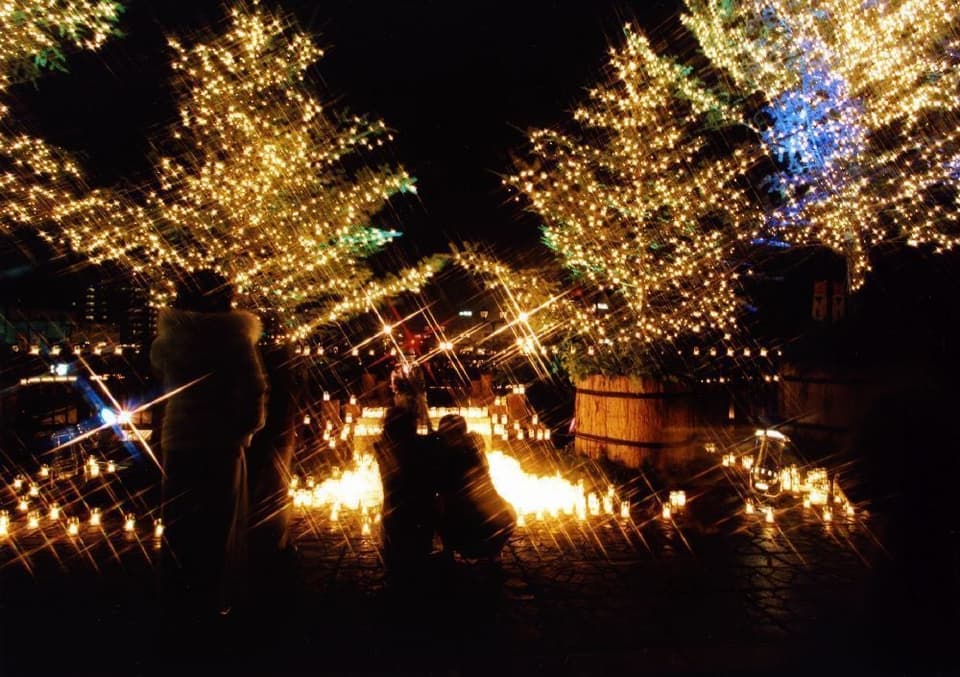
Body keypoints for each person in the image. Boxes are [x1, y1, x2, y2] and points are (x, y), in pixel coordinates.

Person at [150, 269, 267, 618]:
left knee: (179, 524)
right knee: (217, 524)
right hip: (221, 441)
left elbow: (159, 373)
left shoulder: (170, 338)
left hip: (179, 439)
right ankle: (211, 599)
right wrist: (245, 430)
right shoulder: (234, 338)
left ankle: (178, 599)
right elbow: (254, 390)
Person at [434, 415, 515, 560]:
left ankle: (449, 550)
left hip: (468, 534)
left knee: (437, 505)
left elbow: (439, 488)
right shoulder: (474, 448)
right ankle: (493, 552)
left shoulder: (447, 457)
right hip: (496, 526)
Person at [373, 406, 437, 583]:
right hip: (419, 511)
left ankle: (397, 573)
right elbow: (434, 441)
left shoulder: (381, 447)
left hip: (393, 511)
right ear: (411, 425)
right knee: (418, 555)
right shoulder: (421, 445)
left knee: (397, 557)